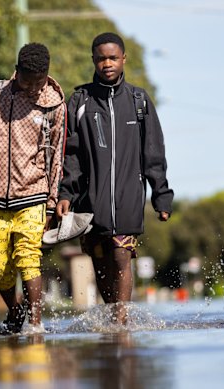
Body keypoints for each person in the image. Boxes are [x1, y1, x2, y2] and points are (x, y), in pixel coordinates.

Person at [56, 32, 173, 324]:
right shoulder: (80, 100)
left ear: (123, 59)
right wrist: (66, 194)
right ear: (94, 60)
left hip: (128, 196)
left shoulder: (139, 101)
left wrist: (161, 196)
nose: (107, 63)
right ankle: (113, 318)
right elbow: (71, 153)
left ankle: (121, 323)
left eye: (112, 57)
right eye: (100, 58)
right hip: (89, 199)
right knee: (101, 263)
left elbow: (153, 152)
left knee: (121, 256)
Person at [0, 43, 67, 333]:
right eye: (27, 81)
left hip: (34, 194)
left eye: (39, 82)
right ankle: (16, 311)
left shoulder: (54, 105)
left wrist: (52, 202)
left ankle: (35, 323)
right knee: (0, 268)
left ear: (47, 75)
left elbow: (57, 157)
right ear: (16, 73)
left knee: (29, 257)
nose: (33, 88)